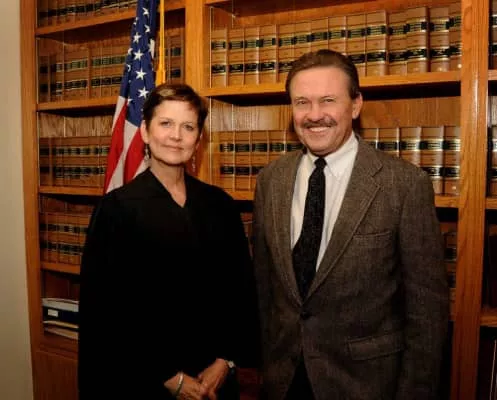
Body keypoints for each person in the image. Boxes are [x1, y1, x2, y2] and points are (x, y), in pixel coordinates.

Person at [252, 49, 449, 400]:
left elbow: (427, 313)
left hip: (366, 385)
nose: (315, 115)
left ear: (356, 105)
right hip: (283, 381)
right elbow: (265, 289)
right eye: (302, 102)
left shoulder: (404, 185)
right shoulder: (271, 180)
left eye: (328, 100)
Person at [78, 83, 260, 400]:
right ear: (145, 132)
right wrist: (168, 377)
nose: (176, 136)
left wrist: (225, 360)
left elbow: (240, 291)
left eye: (188, 127)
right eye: (166, 123)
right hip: (142, 380)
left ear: (198, 139)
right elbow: (105, 311)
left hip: (214, 381)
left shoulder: (220, 205)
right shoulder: (117, 209)